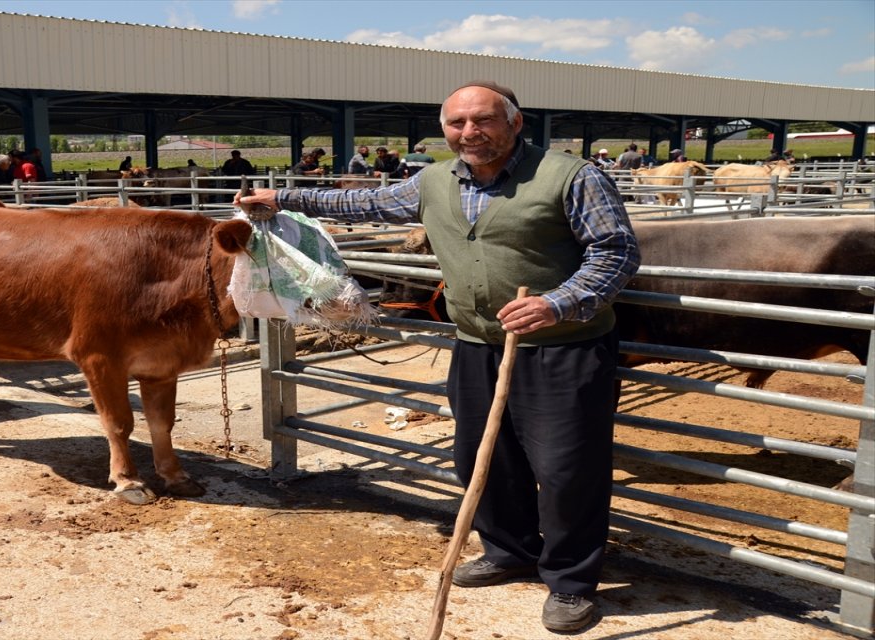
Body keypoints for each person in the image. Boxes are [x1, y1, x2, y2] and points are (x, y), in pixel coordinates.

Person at [237, 81, 639, 633]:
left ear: (515, 123)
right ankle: (508, 551)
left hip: (562, 348)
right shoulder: (434, 180)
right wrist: (282, 199)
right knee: (483, 456)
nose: (469, 133)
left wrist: (558, 302)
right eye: (457, 124)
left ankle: (570, 582)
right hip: (477, 344)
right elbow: (362, 202)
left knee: (568, 471)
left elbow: (616, 251)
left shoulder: (571, 176)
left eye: (483, 121)